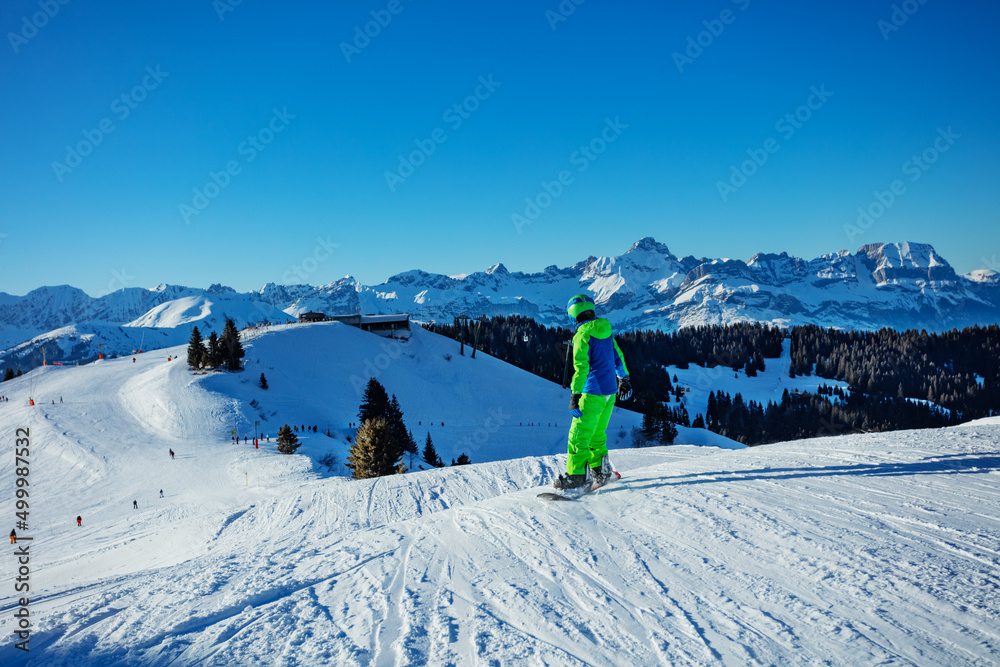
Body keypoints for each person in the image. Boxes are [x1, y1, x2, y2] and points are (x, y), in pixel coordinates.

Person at [554, 294, 631, 493]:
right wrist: (624, 379)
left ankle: (576, 479)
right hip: (609, 394)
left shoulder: (582, 335)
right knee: (597, 435)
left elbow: (581, 369)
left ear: (573, 316)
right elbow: (618, 356)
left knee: (578, 436)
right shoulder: (605, 331)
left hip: (591, 393)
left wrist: (575, 396)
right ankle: (602, 472)